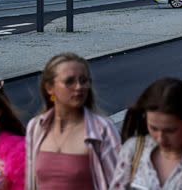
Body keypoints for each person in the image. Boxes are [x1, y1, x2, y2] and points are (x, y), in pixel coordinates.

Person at [25, 53, 121, 190]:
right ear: (49, 87)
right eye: (69, 81)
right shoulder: (36, 127)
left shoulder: (102, 130)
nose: (79, 87)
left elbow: (118, 184)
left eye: (83, 80)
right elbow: (31, 183)